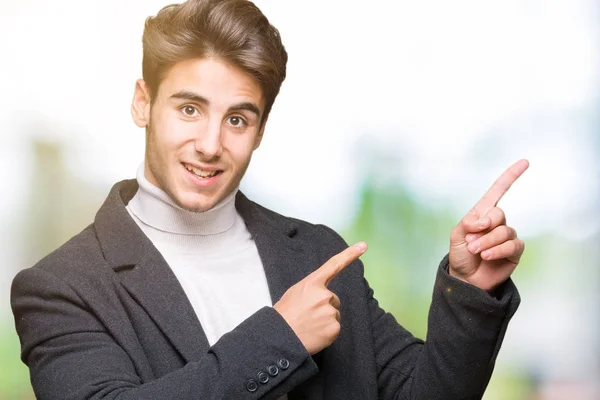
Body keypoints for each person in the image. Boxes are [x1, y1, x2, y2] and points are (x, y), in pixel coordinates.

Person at [10, 0, 528, 399]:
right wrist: (282, 336)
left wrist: (470, 292)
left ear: (259, 131)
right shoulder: (61, 288)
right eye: (190, 109)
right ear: (142, 102)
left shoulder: (318, 255)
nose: (211, 144)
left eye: (237, 118)